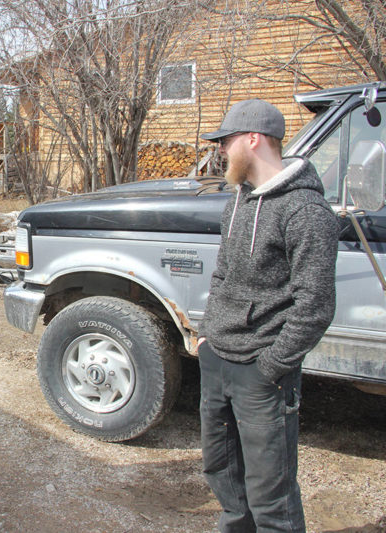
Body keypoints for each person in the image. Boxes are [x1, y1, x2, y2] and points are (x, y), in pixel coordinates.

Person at [198, 100, 339, 532]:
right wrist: (206, 336)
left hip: (263, 373)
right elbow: (223, 273)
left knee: (270, 492)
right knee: (223, 476)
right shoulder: (237, 201)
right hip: (217, 360)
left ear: (253, 140)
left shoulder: (306, 212)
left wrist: (271, 367)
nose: (221, 150)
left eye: (226, 141)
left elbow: (314, 305)